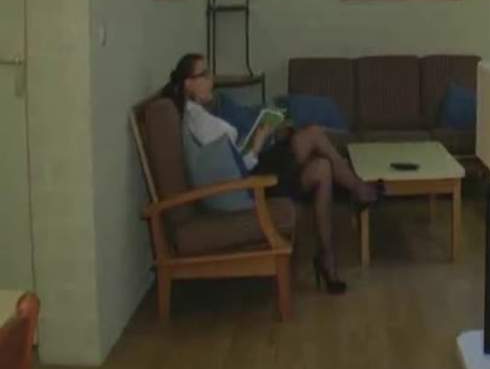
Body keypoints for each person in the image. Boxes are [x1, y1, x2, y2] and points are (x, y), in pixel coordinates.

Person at [162, 53, 380, 294]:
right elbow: (239, 168)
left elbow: (230, 156)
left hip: (254, 170)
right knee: (313, 135)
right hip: (252, 183)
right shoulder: (201, 123)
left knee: (322, 167)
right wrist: (258, 143)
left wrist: (261, 136)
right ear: (188, 84)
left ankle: (328, 258)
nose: (211, 79)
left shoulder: (201, 113)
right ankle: (359, 191)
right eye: (204, 74)